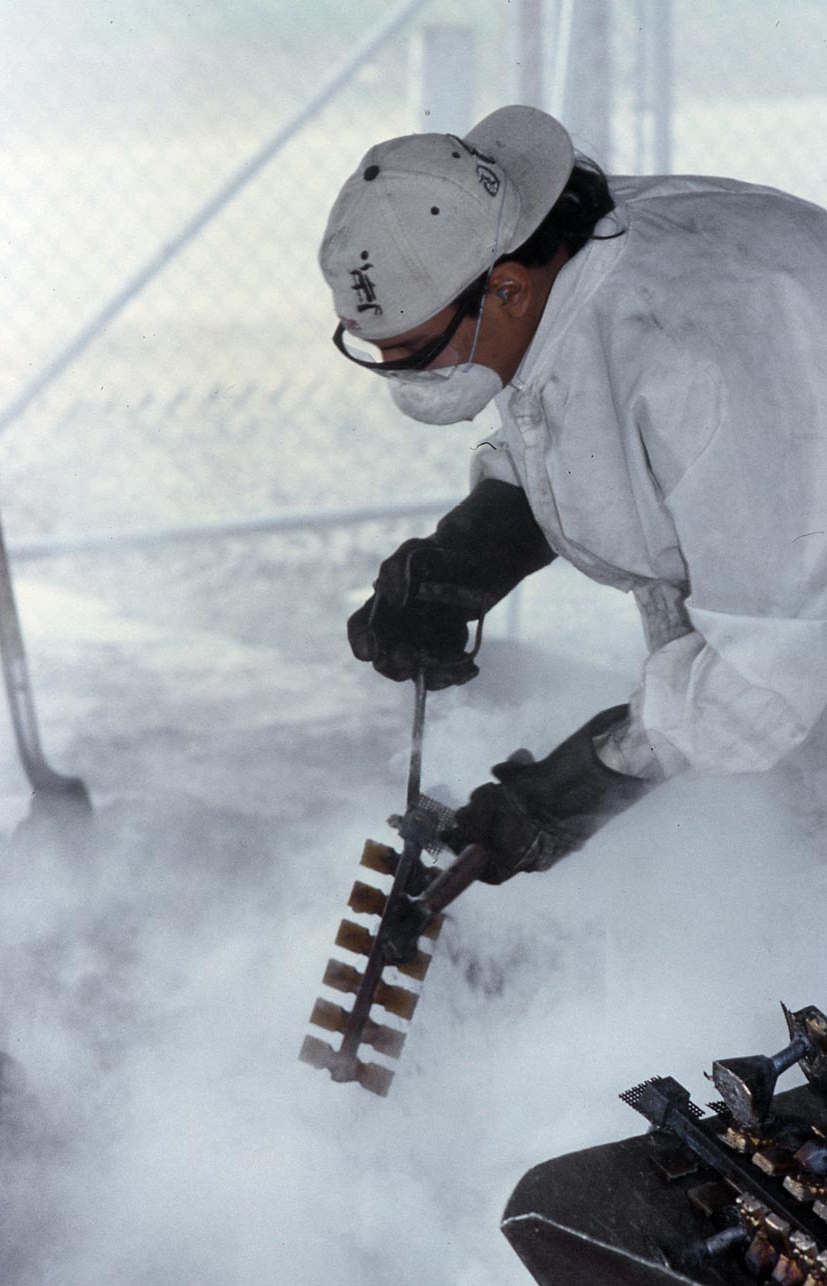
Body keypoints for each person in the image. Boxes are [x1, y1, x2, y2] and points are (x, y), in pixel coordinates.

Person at [318, 104, 827, 885]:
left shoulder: (700, 348)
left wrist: (570, 791)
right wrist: (471, 550)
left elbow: (773, 672)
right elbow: (585, 421)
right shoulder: (563, 272)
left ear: (509, 292)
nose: (400, 371)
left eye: (414, 349)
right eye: (376, 349)